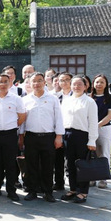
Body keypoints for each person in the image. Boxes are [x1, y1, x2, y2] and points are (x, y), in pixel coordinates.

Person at [20, 72, 64, 202]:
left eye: (39, 80)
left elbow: (58, 119)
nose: (36, 83)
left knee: (48, 165)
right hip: (31, 137)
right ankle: (32, 190)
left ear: (44, 82)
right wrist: (21, 136)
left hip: (48, 137)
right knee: (31, 165)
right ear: (30, 83)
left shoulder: (52, 99)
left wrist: (59, 136)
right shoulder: (25, 100)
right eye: (33, 81)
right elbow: (22, 121)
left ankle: (48, 191)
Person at [0, 74, 26, 201]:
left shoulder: (16, 99)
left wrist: (13, 125)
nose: (2, 84)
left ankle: (11, 190)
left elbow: (22, 116)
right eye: (0, 82)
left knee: (10, 163)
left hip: (10, 134)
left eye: (5, 82)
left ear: (9, 83)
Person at [60, 75, 99, 204]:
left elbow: (93, 122)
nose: (76, 87)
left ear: (85, 86)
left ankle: (83, 191)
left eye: (79, 84)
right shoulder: (67, 100)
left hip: (82, 135)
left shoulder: (89, 102)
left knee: (82, 165)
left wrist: (92, 140)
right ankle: (73, 189)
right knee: (70, 164)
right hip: (67, 134)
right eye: (74, 84)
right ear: (70, 86)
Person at [91, 74, 111, 189]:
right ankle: (92, 177)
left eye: (102, 82)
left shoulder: (110, 98)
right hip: (90, 129)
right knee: (92, 154)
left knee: (104, 153)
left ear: (106, 84)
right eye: (97, 82)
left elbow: (109, 115)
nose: (99, 84)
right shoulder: (89, 97)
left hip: (104, 128)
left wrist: (98, 125)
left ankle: (103, 178)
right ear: (93, 84)